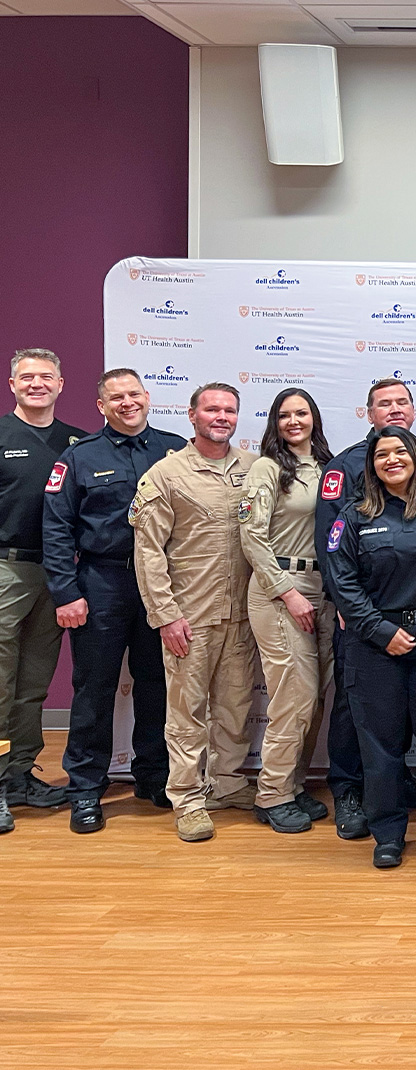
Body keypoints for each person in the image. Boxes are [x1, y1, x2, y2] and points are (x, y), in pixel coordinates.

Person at [326, 426, 416, 869]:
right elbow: (342, 583)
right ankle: (387, 831)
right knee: (380, 746)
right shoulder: (354, 516)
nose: (391, 460)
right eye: (381, 455)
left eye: (399, 452)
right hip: (374, 647)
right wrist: (378, 631)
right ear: (371, 466)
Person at [42, 367, 184, 834]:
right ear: (101, 406)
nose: (127, 403)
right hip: (102, 582)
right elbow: (57, 527)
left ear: (148, 396)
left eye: (133, 394)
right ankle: (85, 788)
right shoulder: (80, 456)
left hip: (162, 586)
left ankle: (154, 775)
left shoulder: (175, 449)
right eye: (115, 398)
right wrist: (66, 592)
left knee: (158, 685)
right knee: (95, 688)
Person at [313, 379, 416, 840]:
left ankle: (393, 780)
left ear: (413, 409)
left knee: (401, 706)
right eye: (384, 403)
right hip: (364, 613)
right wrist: (345, 605)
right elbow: (330, 544)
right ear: (368, 413)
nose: (394, 409)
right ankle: (348, 788)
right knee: (355, 705)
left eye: (402, 402)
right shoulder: (345, 465)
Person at [130, 383, 256, 843]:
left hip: (243, 614)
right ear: (192, 415)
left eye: (229, 410)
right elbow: (149, 552)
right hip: (190, 616)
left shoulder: (252, 468)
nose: (220, 416)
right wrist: (164, 614)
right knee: (187, 712)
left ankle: (226, 784)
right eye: (211, 409)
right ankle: (187, 797)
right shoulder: (166, 474)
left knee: (237, 707)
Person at [239, 388, 335, 834]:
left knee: (312, 698)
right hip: (280, 586)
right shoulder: (267, 467)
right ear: (273, 423)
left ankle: (293, 785)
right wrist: (287, 593)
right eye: (284, 415)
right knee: (293, 695)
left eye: (301, 413)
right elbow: (252, 536)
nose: (293, 421)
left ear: (314, 417)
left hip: (322, 587)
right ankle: (272, 793)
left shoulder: (328, 467)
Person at [0, 348, 82, 833]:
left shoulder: (73, 442)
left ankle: (20, 775)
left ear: (60, 384)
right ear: (12, 384)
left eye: (45, 377)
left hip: (54, 574)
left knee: (33, 683)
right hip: (5, 569)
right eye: (27, 377)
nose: (36, 384)